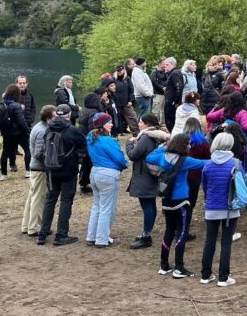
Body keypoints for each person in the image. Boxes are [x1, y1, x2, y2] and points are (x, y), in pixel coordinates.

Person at [146, 134, 208, 278]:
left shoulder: (162, 158)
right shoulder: (185, 161)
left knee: (169, 231)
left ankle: (164, 264)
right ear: (183, 146)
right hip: (181, 201)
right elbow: (205, 163)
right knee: (181, 233)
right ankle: (179, 267)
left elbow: (149, 157)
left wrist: (163, 147)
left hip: (167, 200)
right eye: (188, 144)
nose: (190, 146)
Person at [37, 104, 86, 246]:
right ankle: (61, 235)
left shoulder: (48, 128)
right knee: (66, 201)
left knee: (50, 200)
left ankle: (42, 233)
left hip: (51, 170)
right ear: (69, 115)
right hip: (68, 170)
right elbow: (83, 146)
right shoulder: (72, 130)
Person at [200, 133, 244, 287]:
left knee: (209, 241)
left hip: (211, 208)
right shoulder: (236, 164)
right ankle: (223, 278)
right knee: (226, 243)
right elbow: (241, 185)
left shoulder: (208, 164)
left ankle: (205, 275)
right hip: (230, 209)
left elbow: (204, 186)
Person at [126, 113, 170, 249]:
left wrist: (129, 144)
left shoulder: (145, 138)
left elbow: (133, 155)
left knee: (147, 205)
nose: (138, 124)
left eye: (140, 122)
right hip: (154, 175)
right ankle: (147, 232)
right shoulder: (159, 135)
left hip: (144, 175)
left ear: (146, 123)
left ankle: (146, 236)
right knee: (150, 204)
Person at [86, 112, 129, 247]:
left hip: (95, 173)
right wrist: (124, 165)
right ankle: (102, 239)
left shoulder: (90, 137)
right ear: (103, 125)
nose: (111, 124)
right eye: (109, 122)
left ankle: (91, 236)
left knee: (97, 206)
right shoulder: (109, 141)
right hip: (108, 175)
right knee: (107, 208)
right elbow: (119, 159)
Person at [22, 105, 56, 237]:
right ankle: (34, 228)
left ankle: (26, 226)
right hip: (40, 169)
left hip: (35, 168)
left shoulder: (38, 127)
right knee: (38, 198)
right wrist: (51, 162)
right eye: (54, 117)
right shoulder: (43, 131)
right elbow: (38, 153)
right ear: (48, 118)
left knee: (32, 196)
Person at [184, 117, 211, 241]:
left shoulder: (180, 140)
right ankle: (185, 230)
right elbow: (208, 160)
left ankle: (177, 228)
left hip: (181, 176)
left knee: (180, 203)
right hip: (195, 177)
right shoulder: (203, 142)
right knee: (190, 204)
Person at [0, 84, 30, 180]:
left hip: (6, 133)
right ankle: (28, 171)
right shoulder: (16, 105)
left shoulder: (1, 104)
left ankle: (4, 174)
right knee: (27, 150)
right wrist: (27, 131)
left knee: (5, 152)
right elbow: (21, 121)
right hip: (19, 133)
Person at [112, 65, 138, 135]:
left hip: (126, 102)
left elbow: (131, 90)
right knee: (117, 119)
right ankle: (117, 132)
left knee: (132, 117)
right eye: (117, 71)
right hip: (116, 103)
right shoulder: (113, 79)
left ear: (123, 70)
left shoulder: (127, 79)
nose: (119, 72)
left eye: (120, 71)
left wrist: (130, 100)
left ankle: (136, 132)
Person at [163, 57, 185, 132]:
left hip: (171, 101)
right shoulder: (175, 72)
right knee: (171, 120)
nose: (165, 66)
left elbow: (179, 87)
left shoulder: (175, 73)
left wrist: (175, 101)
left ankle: (174, 136)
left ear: (172, 64)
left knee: (170, 120)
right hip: (171, 100)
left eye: (167, 64)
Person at [131, 57, 154, 121]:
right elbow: (140, 85)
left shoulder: (140, 70)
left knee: (145, 114)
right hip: (142, 96)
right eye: (145, 62)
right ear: (142, 63)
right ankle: (141, 127)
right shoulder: (137, 71)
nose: (146, 63)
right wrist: (148, 93)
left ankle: (143, 127)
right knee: (144, 114)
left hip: (144, 96)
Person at [150, 59, 168, 125]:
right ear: (160, 64)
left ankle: (162, 123)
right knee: (156, 110)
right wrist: (162, 87)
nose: (165, 65)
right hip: (157, 94)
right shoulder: (154, 72)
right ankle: (154, 123)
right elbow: (154, 82)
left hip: (165, 94)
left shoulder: (166, 72)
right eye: (164, 64)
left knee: (163, 110)